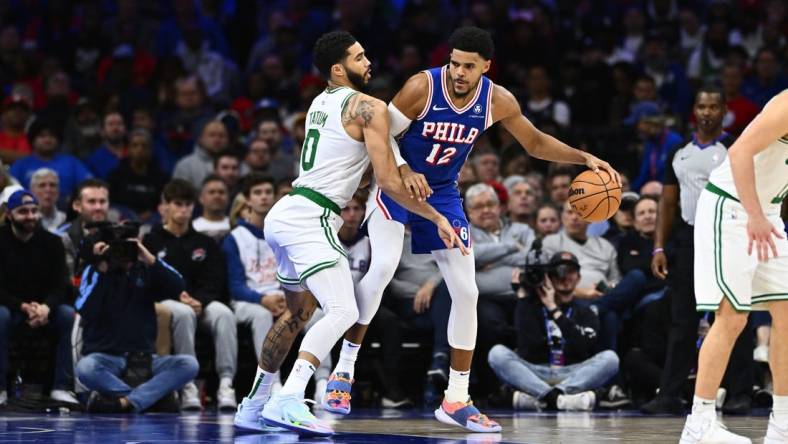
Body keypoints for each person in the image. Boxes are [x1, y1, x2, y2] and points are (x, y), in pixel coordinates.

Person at [325, 26, 619, 434]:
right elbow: (381, 135)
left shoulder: (497, 100)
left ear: (485, 67)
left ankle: (456, 398)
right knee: (382, 269)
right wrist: (405, 170)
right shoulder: (420, 88)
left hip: (443, 192)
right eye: (454, 63)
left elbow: (533, 143)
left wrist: (584, 157)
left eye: (468, 66)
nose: (459, 72)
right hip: (396, 183)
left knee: (467, 291)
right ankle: (344, 369)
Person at [234, 30, 465, 437]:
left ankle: (253, 405)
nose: (368, 61)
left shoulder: (320, 103)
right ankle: (289, 397)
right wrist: (436, 216)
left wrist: (398, 163)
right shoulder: (368, 107)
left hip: (284, 212)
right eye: (359, 57)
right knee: (344, 311)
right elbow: (389, 184)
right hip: (313, 217)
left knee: (298, 313)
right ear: (339, 68)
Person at [679, 91, 788, 443]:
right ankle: (699, 425)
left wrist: (763, 215)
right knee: (733, 316)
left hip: (767, 213)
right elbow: (739, 152)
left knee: (786, 313)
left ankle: (783, 424)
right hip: (732, 207)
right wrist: (755, 215)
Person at [643, 87, 753, 416]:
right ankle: (670, 395)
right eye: (701, 106)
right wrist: (659, 246)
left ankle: (740, 393)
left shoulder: (735, 147)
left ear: (723, 111)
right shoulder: (679, 151)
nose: (707, 112)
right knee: (683, 320)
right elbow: (667, 202)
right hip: (689, 239)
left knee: (732, 316)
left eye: (713, 106)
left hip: (728, 236)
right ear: (694, 110)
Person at [74, 232, 199, 413]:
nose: (123, 254)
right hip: (106, 357)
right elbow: (84, 309)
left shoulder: (146, 270)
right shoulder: (95, 271)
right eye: (118, 249)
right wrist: (101, 268)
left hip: (144, 359)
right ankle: (149, 399)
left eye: (129, 248)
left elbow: (178, 284)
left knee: (189, 364)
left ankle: (125, 402)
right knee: (85, 368)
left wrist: (150, 258)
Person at [142, 179, 237, 411]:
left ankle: (226, 383)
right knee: (183, 313)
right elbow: (149, 280)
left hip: (200, 302)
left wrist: (200, 301)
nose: (183, 210)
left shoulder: (205, 242)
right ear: (166, 206)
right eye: (178, 204)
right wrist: (181, 298)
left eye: (187, 204)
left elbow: (214, 280)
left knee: (224, 313)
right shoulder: (151, 241)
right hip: (167, 303)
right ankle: (187, 385)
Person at [488, 252, 618, 411]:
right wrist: (523, 298)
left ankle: (542, 399)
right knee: (497, 353)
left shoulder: (586, 311)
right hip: (536, 372)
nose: (565, 277)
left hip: (572, 372)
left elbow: (584, 345)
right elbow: (528, 348)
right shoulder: (531, 305)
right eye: (558, 272)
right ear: (548, 277)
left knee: (610, 359)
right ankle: (559, 399)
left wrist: (554, 309)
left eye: (570, 271)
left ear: (578, 277)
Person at [0, 190, 76, 405]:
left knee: (67, 315)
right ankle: (1, 388)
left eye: (34, 211)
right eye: (23, 211)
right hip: (11, 309)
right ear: (9, 213)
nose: (30, 216)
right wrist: (24, 306)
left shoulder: (52, 242)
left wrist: (46, 307)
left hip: (44, 311)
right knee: (0, 315)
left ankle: (62, 387)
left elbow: (61, 286)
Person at [222, 173, 285, 401]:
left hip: (282, 298)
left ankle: (320, 384)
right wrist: (262, 299)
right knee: (261, 315)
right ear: (247, 200)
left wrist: (287, 297)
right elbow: (235, 286)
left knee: (316, 316)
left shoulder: (283, 233)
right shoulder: (234, 238)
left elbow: (294, 275)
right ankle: (272, 383)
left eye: (268, 192)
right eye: (258, 193)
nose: (264, 197)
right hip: (247, 302)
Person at [10, 119, 92, 207]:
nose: (47, 140)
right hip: (29, 210)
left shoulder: (71, 162)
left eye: (52, 136)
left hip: (67, 208)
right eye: (42, 136)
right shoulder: (21, 165)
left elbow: (89, 186)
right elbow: (10, 192)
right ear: (32, 140)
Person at [107, 128, 166, 220]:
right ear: (129, 149)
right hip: (122, 222)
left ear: (150, 150)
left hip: (152, 224)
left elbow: (164, 204)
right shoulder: (116, 176)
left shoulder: (162, 178)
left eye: (144, 146)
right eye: (135, 145)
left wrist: (152, 213)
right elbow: (111, 204)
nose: (140, 149)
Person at [172, 120, 230, 190]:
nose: (217, 139)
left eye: (221, 136)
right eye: (212, 135)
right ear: (200, 138)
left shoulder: (238, 164)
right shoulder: (185, 166)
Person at [86, 112, 127, 179]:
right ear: (102, 131)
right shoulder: (94, 160)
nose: (115, 128)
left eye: (119, 124)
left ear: (125, 129)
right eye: (111, 124)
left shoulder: (134, 153)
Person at [192, 175, 231, 242]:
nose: (217, 196)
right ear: (201, 198)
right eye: (211, 192)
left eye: (221, 192)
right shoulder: (192, 228)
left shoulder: (236, 227)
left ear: (228, 198)